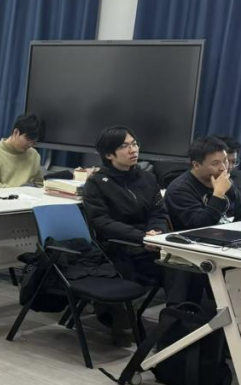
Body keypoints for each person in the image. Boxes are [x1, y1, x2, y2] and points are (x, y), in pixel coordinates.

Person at [82, 126, 173, 342]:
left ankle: (178, 324)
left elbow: (159, 213)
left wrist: (157, 233)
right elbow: (102, 222)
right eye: (124, 146)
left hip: (151, 241)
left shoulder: (147, 178)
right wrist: (142, 237)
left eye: (134, 144)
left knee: (185, 269)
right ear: (109, 154)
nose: (133, 150)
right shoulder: (96, 183)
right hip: (118, 244)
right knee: (129, 265)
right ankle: (121, 320)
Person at [165, 136, 241, 230]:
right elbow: (200, 226)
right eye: (215, 163)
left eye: (225, 161)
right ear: (196, 165)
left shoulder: (224, 180)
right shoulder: (179, 190)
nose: (224, 168)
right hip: (195, 237)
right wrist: (218, 194)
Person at [0, 114, 45, 189]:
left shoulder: (34, 155)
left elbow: (40, 184)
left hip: (26, 196)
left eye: (34, 142)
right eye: (28, 140)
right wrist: (18, 192)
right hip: (1, 196)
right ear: (16, 132)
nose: (30, 145)